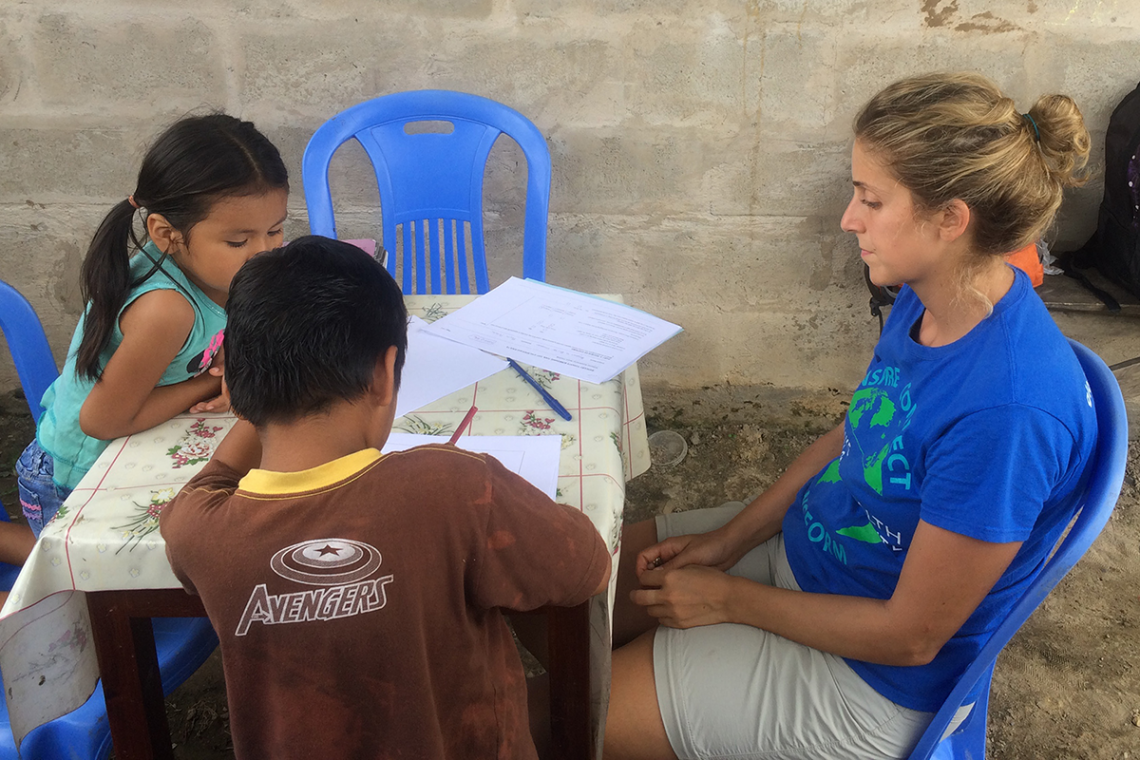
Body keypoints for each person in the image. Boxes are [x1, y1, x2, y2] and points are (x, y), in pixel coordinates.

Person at [604, 71, 1096, 760]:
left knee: (550, 719)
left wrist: (727, 600)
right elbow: (854, 435)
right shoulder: (931, 297)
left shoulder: (1008, 413)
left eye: (871, 199)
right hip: (808, 562)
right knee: (565, 585)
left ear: (951, 219)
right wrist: (732, 538)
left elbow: (911, 636)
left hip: (867, 683)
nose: (847, 218)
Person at [159, 236, 611, 759]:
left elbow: (204, 488)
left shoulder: (202, 531)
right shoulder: (451, 488)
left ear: (233, 385)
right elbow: (588, 568)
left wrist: (255, 399)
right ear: (383, 371)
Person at [13, 114, 289, 553]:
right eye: (239, 241)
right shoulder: (165, 308)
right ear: (167, 234)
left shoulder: (213, 269)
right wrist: (208, 381)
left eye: (275, 230)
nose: (265, 251)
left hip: (134, 445)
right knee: (86, 576)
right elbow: (102, 421)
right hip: (74, 474)